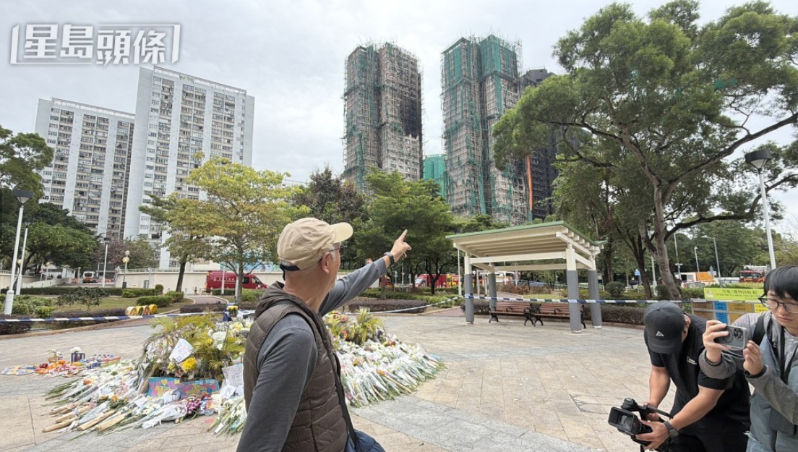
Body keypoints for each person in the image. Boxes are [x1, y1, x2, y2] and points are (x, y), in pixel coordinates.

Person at [238, 218, 411, 452]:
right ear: (327, 261)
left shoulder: (291, 305)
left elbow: (350, 284)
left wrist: (390, 257)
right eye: (338, 250)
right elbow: (257, 445)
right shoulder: (294, 336)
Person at [700, 266, 798, 452]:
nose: (780, 311)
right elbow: (717, 372)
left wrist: (759, 374)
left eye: (791, 303)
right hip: (759, 441)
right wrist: (712, 354)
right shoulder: (756, 325)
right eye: (773, 301)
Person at [637, 301, 750, 451]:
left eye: (673, 341)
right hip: (685, 407)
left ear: (686, 323)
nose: (668, 347)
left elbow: (708, 398)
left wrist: (669, 427)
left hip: (725, 414)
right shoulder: (655, 333)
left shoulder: (710, 341)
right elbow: (659, 371)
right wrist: (653, 402)